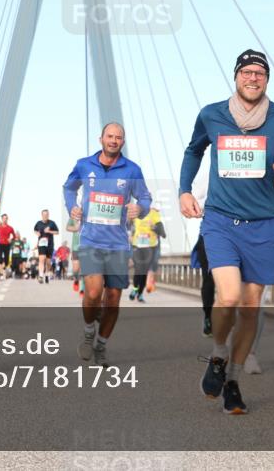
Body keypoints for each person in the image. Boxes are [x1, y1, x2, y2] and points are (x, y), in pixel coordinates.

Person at [181, 50, 274, 415]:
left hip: (264, 224)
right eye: (247, 72)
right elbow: (193, 150)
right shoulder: (212, 114)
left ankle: (233, 382)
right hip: (220, 221)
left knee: (251, 308)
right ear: (236, 76)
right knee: (229, 295)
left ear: (266, 79)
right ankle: (219, 353)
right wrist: (184, 190)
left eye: (260, 73)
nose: (253, 78)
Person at [65, 122, 152, 368]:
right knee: (93, 293)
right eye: (110, 136)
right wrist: (72, 206)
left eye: (118, 137)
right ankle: (88, 332)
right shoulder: (84, 165)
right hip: (91, 240)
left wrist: (140, 208)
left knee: (113, 299)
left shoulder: (132, 170)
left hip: (118, 245)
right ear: (101, 139)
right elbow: (69, 188)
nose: (114, 140)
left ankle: (101, 345)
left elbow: (145, 197)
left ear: (123, 141)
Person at [129, 205, 165, 304]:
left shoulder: (154, 213)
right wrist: (130, 236)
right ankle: (135, 289)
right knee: (138, 270)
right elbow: (129, 224)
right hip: (137, 246)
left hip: (150, 247)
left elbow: (162, 232)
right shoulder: (136, 212)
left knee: (144, 272)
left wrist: (154, 227)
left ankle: (140, 293)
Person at [34, 210, 60, 284]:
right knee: (41, 259)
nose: (45, 216)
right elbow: (35, 230)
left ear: (48, 215)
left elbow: (57, 232)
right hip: (41, 243)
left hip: (50, 244)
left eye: (46, 215)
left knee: (48, 262)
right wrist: (37, 233)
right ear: (42, 215)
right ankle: (41, 276)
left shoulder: (52, 223)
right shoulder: (38, 223)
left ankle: (46, 274)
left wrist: (49, 231)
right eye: (44, 215)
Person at [0, 214, 16, 280]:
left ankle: (2, 271)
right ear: (2, 219)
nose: (5, 220)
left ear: (7, 219)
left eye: (6, 218)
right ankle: (2, 274)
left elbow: (14, 236)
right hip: (0, 244)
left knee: (6, 261)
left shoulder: (10, 228)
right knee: (0, 260)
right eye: (4, 218)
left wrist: (11, 239)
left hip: (7, 245)